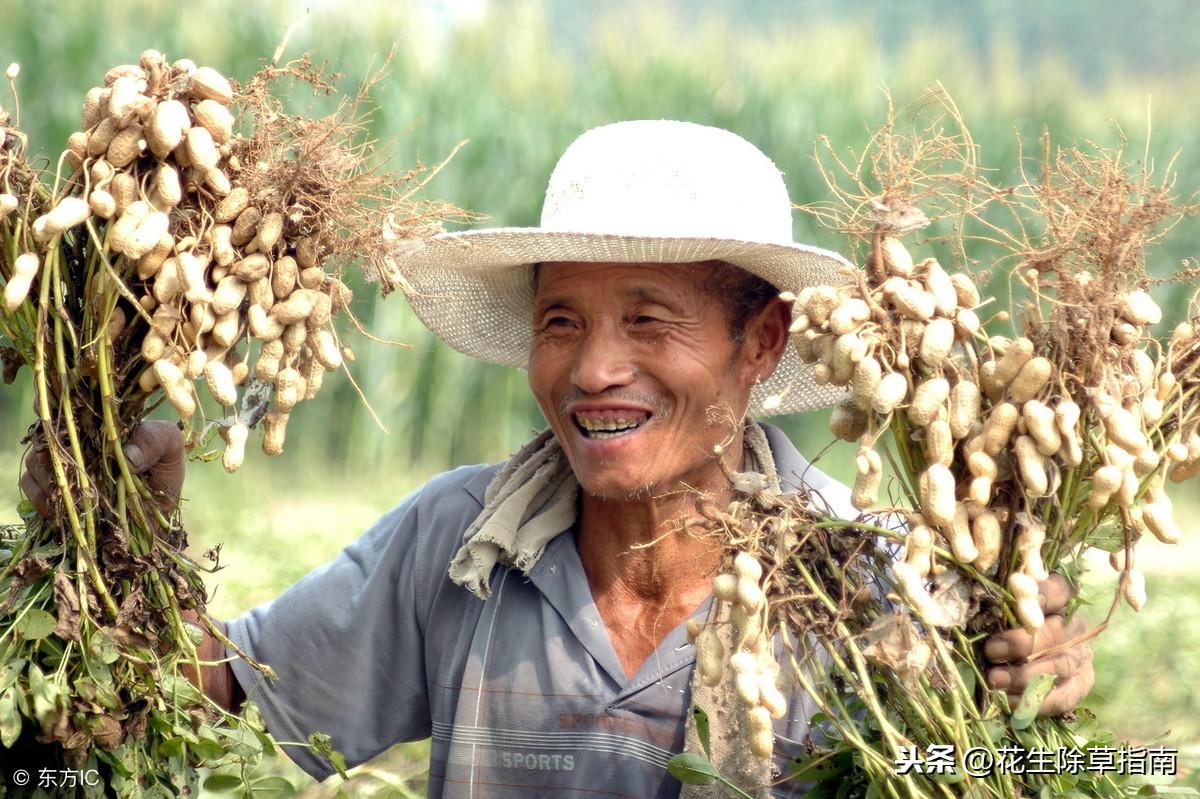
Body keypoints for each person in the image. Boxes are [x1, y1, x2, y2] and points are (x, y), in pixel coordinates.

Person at [22, 120, 1093, 798]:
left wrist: (1024, 694)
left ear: (760, 344)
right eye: (563, 321)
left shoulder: (876, 582)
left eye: (649, 321)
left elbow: (991, 762)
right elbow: (221, 689)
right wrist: (120, 523)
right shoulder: (460, 543)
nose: (594, 371)